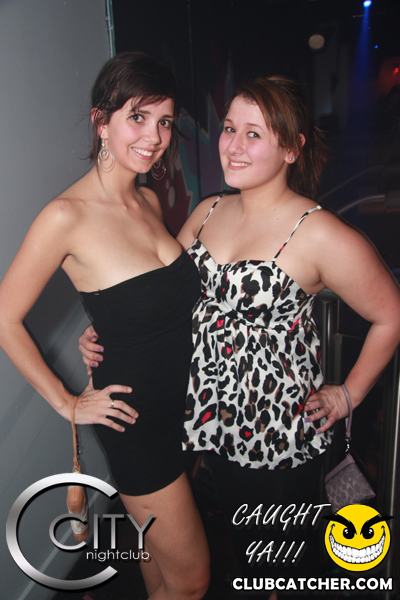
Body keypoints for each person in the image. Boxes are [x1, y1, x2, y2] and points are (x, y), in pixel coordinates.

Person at [79, 75, 400, 592]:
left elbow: (392, 314)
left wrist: (348, 393)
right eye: (230, 129)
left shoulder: (319, 232)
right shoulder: (208, 211)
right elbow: (163, 293)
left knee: (274, 571)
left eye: (255, 134)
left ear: (292, 148)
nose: (233, 145)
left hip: (274, 439)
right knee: (221, 552)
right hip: (203, 425)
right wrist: (105, 330)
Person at [0, 52, 209, 600]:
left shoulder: (148, 198)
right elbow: (4, 317)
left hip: (179, 410)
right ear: (101, 120)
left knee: (161, 569)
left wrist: (108, 326)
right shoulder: (64, 216)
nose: (155, 137)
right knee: (192, 581)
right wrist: (67, 402)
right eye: (138, 117)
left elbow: (149, 296)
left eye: (164, 121)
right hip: (135, 424)